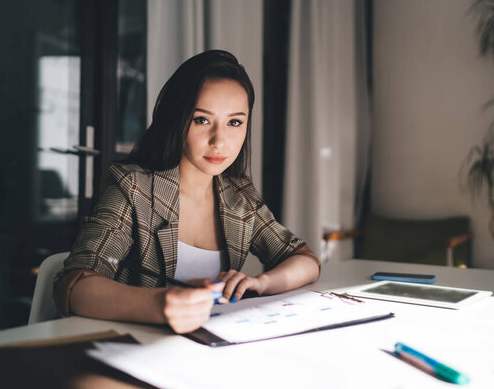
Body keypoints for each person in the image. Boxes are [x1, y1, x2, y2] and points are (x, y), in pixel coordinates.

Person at [53, 50, 321, 334]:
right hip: (131, 349)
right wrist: (160, 304)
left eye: (234, 122)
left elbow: (306, 261)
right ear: (177, 119)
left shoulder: (239, 197)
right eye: (201, 120)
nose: (219, 141)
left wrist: (262, 282)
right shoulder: (132, 187)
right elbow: (73, 286)